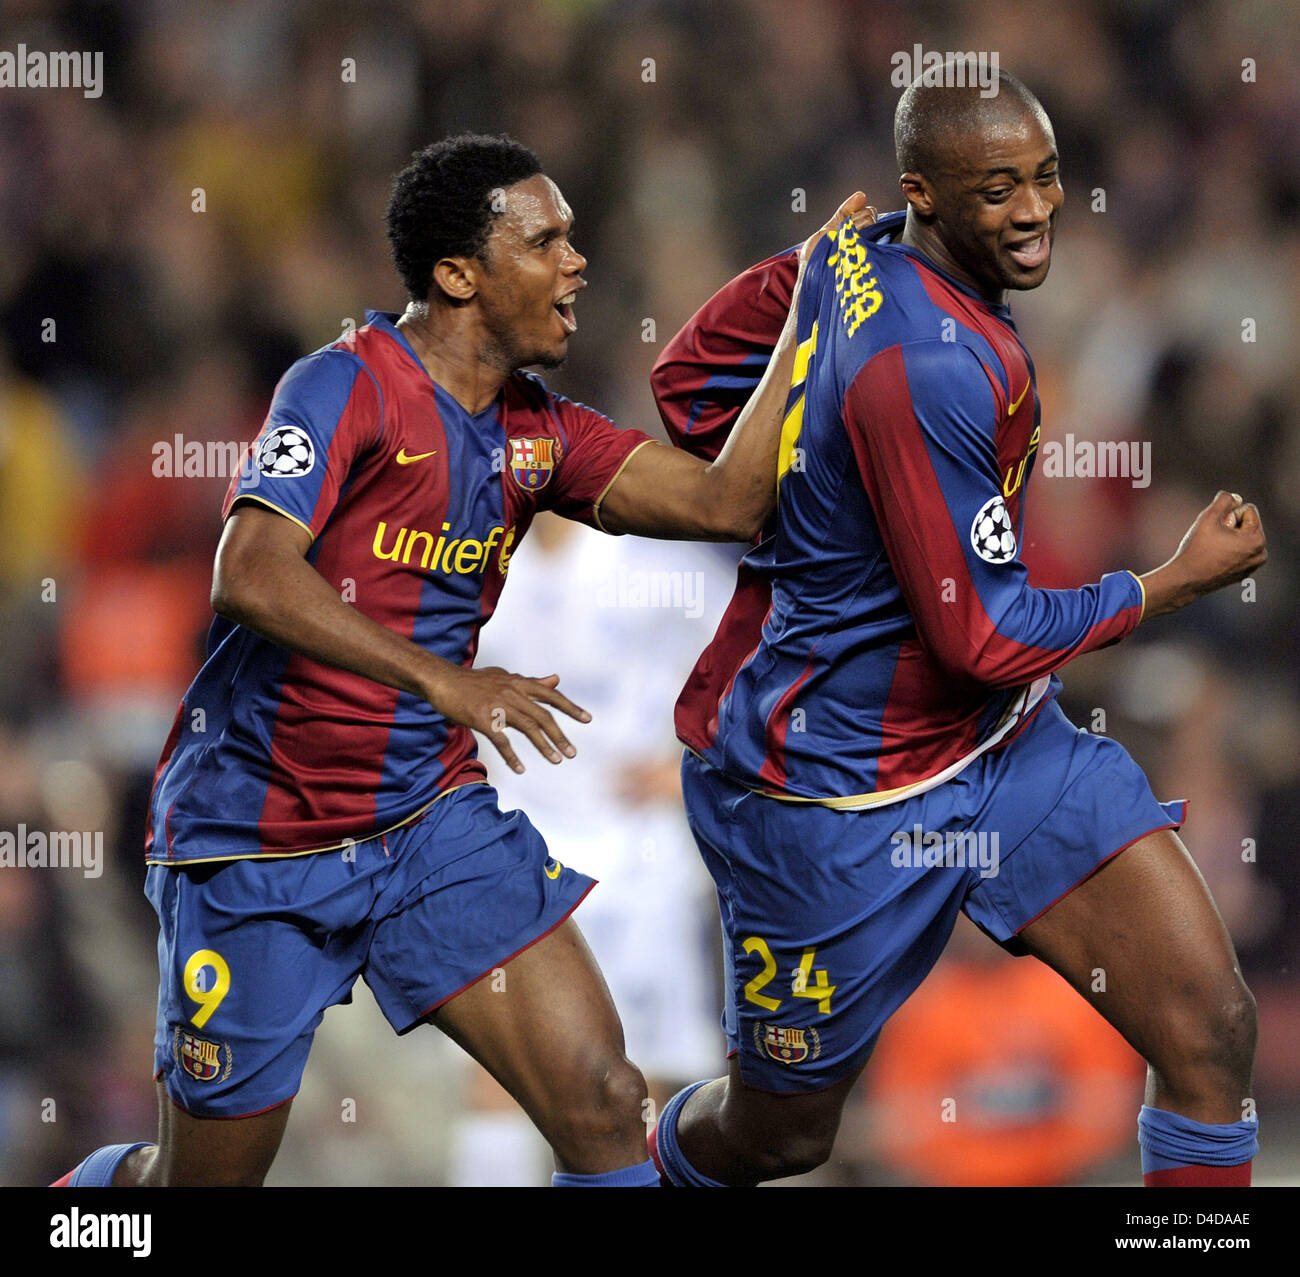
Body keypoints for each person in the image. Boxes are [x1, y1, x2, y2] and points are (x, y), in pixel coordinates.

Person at [52, 132, 870, 1188]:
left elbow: (725, 500)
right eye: (545, 241)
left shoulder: (542, 435)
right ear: (458, 274)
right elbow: (249, 572)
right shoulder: (340, 385)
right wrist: (444, 680)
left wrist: (804, 319)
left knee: (607, 1102)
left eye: (574, 238)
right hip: (259, 839)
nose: (577, 263)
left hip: (427, 827)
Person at [647, 70, 1267, 1188]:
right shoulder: (927, 365)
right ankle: (630, 1168)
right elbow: (977, 637)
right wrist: (1167, 583)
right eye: (997, 190)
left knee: (1210, 1028)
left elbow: (686, 384)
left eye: (1043, 178)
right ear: (923, 194)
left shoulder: (859, 262)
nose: (1032, 210)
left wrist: (805, 270)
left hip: (999, 751)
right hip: (832, 796)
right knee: (778, 1135)